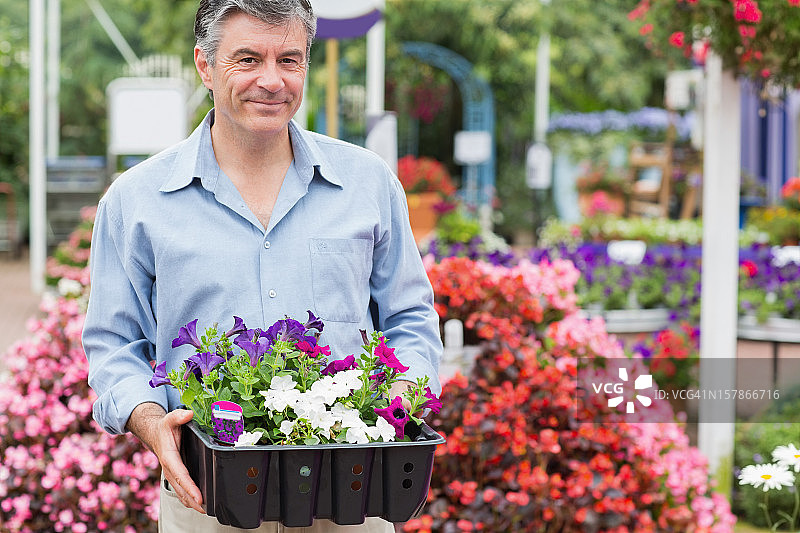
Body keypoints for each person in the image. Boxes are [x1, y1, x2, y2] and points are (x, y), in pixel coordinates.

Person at [81, 1, 443, 531]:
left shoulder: (368, 183)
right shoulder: (137, 201)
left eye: (289, 60)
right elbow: (113, 345)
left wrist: (399, 398)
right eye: (247, 59)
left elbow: (411, 317)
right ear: (205, 65)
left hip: (349, 497)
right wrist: (151, 421)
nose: (271, 81)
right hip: (207, 497)